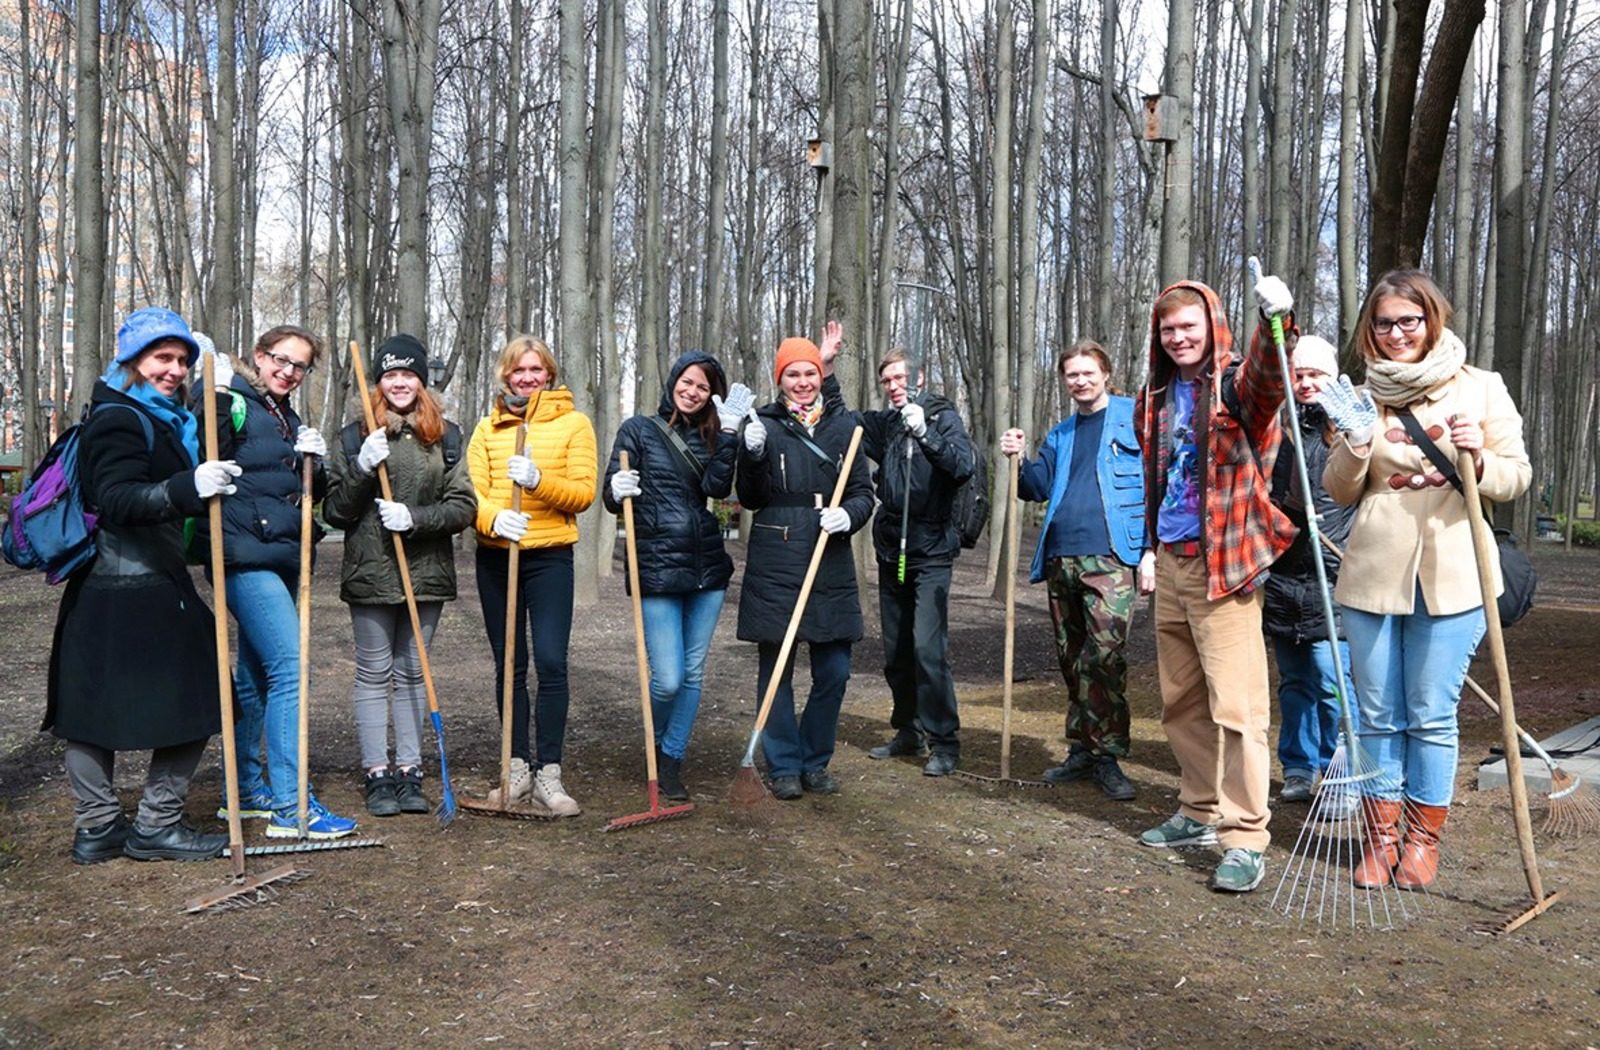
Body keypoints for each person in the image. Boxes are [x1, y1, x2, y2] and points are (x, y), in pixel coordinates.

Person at [1319, 270, 1530, 891]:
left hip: (1456, 568)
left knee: (1432, 714)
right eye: (1383, 323)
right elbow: (1338, 491)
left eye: (1408, 321)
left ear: (1432, 319)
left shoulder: (1482, 388)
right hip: (1374, 571)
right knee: (1379, 714)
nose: (1395, 334)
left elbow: (1517, 476)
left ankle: (1422, 841)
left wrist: (1479, 457)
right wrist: (1356, 445)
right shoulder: (1361, 395)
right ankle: (1380, 838)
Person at [44, 308, 236, 863]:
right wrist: (184, 486)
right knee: (199, 695)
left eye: (182, 360)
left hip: (137, 581)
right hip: (129, 584)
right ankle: (139, 825)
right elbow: (117, 499)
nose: (174, 370)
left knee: (96, 703)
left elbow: (201, 454)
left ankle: (106, 826)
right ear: (132, 360)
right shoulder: (118, 418)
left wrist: (215, 401)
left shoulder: (158, 416)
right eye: (162, 358)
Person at [1132, 273, 1297, 894]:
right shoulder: (1154, 396)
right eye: (1168, 329)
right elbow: (1157, 480)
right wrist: (1148, 548)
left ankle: (1246, 834)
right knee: (1181, 703)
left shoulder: (1233, 385)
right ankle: (1198, 811)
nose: (1178, 338)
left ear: (1213, 327)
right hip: (1170, 562)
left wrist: (1276, 322)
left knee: (1238, 708)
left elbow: (1268, 380)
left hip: (1224, 564)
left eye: (1189, 328)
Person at [199, 325, 358, 840]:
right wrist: (218, 395)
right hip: (245, 555)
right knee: (291, 667)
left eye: (299, 366)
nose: (288, 372)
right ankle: (292, 805)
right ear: (259, 355)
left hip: (284, 554)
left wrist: (318, 464)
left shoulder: (283, 414)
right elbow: (210, 450)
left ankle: (245, 794)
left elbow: (303, 493)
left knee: (257, 676)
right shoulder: (238, 400)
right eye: (280, 360)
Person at [322, 335, 477, 817]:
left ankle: (410, 771)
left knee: (414, 672)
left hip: (425, 571)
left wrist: (415, 519)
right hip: (370, 573)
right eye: (390, 375)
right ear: (379, 383)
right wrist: (363, 469)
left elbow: (464, 505)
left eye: (408, 374)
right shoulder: (353, 437)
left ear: (422, 381)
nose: (400, 383)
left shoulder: (446, 436)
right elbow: (336, 513)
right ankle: (376, 772)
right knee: (373, 673)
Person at [1000, 340, 1144, 800]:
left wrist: (1151, 551)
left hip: (1112, 555)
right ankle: (1082, 749)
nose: (1080, 381)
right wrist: (1019, 459)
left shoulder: (1134, 417)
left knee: (1104, 655)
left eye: (1088, 372)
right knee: (1072, 655)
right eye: (1072, 375)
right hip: (1062, 554)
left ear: (1105, 372)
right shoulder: (1061, 434)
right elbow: (1036, 487)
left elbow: (1157, 480)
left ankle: (1109, 756)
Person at [602, 351, 750, 800]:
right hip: (657, 567)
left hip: (706, 566)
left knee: (691, 673)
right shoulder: (638, 430)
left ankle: (670, 757)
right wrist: (615, 488)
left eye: (703, 387)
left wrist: (728, 435)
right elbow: (612, 494)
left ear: (712, 396)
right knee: (666, 677)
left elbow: (717, 490)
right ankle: (655, 743)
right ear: (672, 381)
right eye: (687, 382)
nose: (692, 392)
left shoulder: (711, 434)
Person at [828, 330, 974, 777]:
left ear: (920, 377)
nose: (894, 386)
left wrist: (925, 432)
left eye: (901, 378)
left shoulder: (942, 417)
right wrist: (828, 368)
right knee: (897, 650)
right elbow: (842, 419)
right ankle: (908, 728)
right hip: (893, 548)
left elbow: (962, 465)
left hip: (931, 550)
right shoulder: (887, 424)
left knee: (928, 648)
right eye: (887, 380)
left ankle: (944, 741)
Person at [736, 334, 874, 800]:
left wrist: (849, 516)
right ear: (780, 380)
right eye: (791, 374)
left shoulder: (844, 426)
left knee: (834, 669)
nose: (801, 382)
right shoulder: (766, 424)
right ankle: (784, 765)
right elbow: (751, 498)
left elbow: (862, 493)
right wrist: (751, 455)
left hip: (829, 555)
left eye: (809, 373)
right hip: (777, 556)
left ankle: (815, 760)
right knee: (775, 668)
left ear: (821, 376)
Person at [468, 335, 597, 816]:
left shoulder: (573, 423)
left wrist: (539, 480)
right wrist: (493, 519)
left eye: (535, 370)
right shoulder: (487, 429)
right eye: (517, 371)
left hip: (549, 557)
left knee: (551, 661)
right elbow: (473, 493)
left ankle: (550, 774)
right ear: (506, 376)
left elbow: (583, 493)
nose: (526, 378)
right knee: (510, 664)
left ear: (549, 374)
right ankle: (515, 767)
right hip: (497, 556)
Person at [1262, 335, 1357, 806]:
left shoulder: (1350, 427)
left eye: (1315, 374)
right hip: (1283, 574)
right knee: (1294, 680)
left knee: (1332, 678)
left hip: (1333, 571)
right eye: (1298, 375)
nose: (1305, 383)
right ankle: (1298, 768)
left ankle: (1344, 768)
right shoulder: (1276, 428)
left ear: (1332, 376)